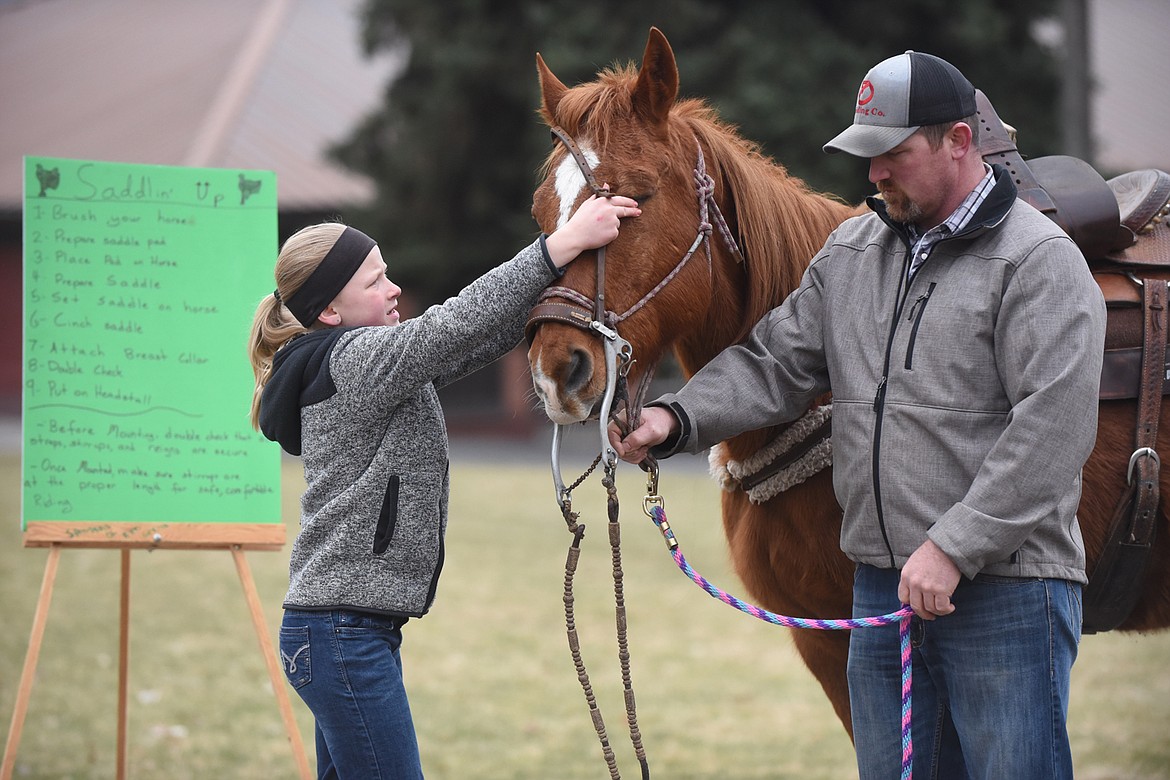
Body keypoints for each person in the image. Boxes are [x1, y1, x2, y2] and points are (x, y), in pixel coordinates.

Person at [611, 51, 1105, 779]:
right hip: (881, 584)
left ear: (959, 143)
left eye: (893, 154)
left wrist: (954, 548)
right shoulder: (853, 252)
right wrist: (676, 419)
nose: (873, 175)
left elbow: (1051, 430)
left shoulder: (1038, 262)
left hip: (1004, 588)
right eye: (865, 156)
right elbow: (775, 364)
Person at [248, 191, 640, 779]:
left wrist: (559, 284)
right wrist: (563, 243)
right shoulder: (354, 359)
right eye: (374, 282)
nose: (393, 289)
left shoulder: (367, 363)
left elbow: (472, 338)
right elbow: (452, 324)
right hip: (341, 636)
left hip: (345, 633)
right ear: (330, 311)